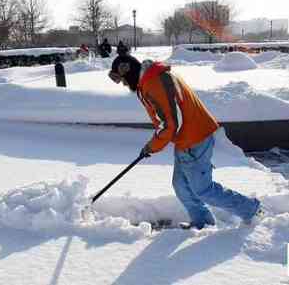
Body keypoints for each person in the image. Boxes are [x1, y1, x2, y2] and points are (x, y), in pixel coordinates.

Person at [108, 55, 262, 230]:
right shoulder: (152, 78)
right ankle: (202, 222)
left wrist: (152, 146)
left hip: (194, 139)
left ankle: (251, 210)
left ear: (128, 71)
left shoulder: (154, 83)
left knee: (203, 189)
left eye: (122, 80)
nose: (124, 84)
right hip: (186, 139)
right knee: (181, 186)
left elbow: (170, 124)